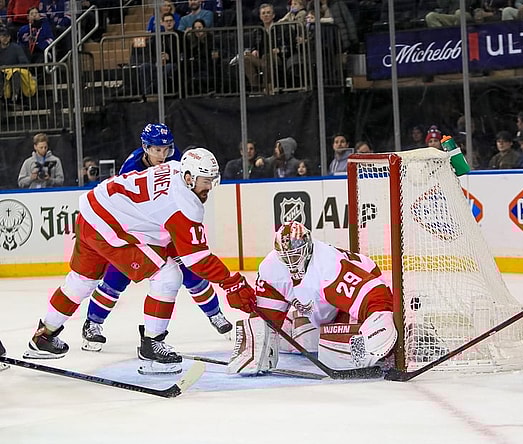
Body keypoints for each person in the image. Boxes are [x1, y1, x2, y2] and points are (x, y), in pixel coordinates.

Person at [23, 146, 256, 375]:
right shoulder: (185, 205)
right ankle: (152, 346)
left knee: (81, 281)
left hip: (91, 213)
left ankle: (44, 336)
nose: (210, 187)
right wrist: (231, 282)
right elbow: (198, 260)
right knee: (169, 275)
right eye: (206, 181)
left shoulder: (175, 167)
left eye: (213, 180)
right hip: (111, 228)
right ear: (189, 177)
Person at [80, 124, 234, 356]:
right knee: (117, 275)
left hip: (167, 229)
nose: (163, 155)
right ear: (145, 148)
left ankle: (215, 314)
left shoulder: (180, 161)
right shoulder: (131, 167)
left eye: (167, 149)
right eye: (157, 150)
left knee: (191, 271)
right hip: (139, 232)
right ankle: (92, 322)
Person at [226, 221, 397, 375]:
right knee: (303, 337)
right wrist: (255, 337)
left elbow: (377, 296)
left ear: (308, 246)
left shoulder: (328, 267)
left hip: (348, 303)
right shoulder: (271, 268)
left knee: (332, 352)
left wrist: (378, 331)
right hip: (321, 310)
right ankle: (295, 322)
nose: (290, 261)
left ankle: (406, 333)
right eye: (285, 256)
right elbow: (267, 319)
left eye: (295, 254)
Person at [0, 25, 30, 106]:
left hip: (14, 71)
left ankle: (15, 97)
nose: (5, 38)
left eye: (7, 36)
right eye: (2, 36)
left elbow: (24, 63)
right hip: (1, 72)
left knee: (15, 73)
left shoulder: (16, 48)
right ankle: (1, 97)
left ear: (10, 37)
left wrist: (10, 68)